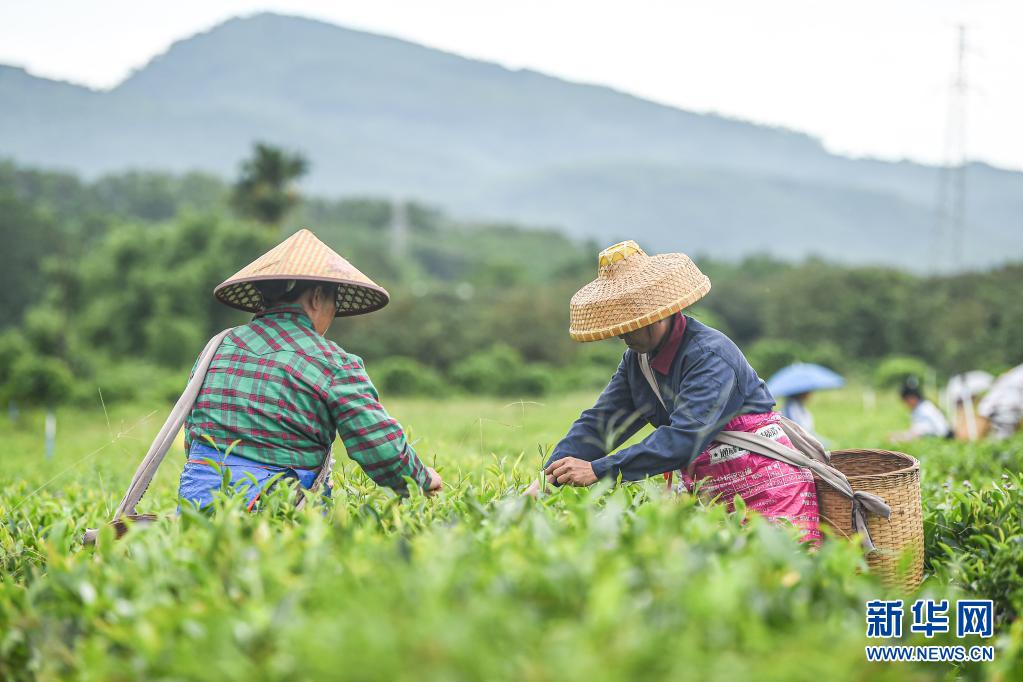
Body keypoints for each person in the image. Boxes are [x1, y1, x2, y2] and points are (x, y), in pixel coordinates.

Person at [538, 240, 820, 543]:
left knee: (783, 566)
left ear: (660, 312)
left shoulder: (710, 355)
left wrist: (599, 470)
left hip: (766, 484)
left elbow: (685, 437)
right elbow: (602, 421)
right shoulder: (637, 361)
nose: (625, 334)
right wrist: (549, 476)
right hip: (709, 489)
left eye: (632, 324)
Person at [178, 229, 442, 509]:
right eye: (333, 303)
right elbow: (379, 447)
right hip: (276, 511)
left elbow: (192, 434)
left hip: (198, 505)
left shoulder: (217, 347)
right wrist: (420, 478)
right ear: (317, 297)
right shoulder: (333, 363)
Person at [890, 378, 951, 442]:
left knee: (896, 439)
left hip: (937, 436)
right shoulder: (918, 408)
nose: (906, 404)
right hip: (927, 436)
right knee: (893, 437)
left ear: (912, 398)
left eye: (906, 401)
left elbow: (942, 429)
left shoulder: (926, 408)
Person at [977, 364, 1023, 439]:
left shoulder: (1013, 375)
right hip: (1003, 412)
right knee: (1004, 438)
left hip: (999, 410)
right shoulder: (1016, 377)